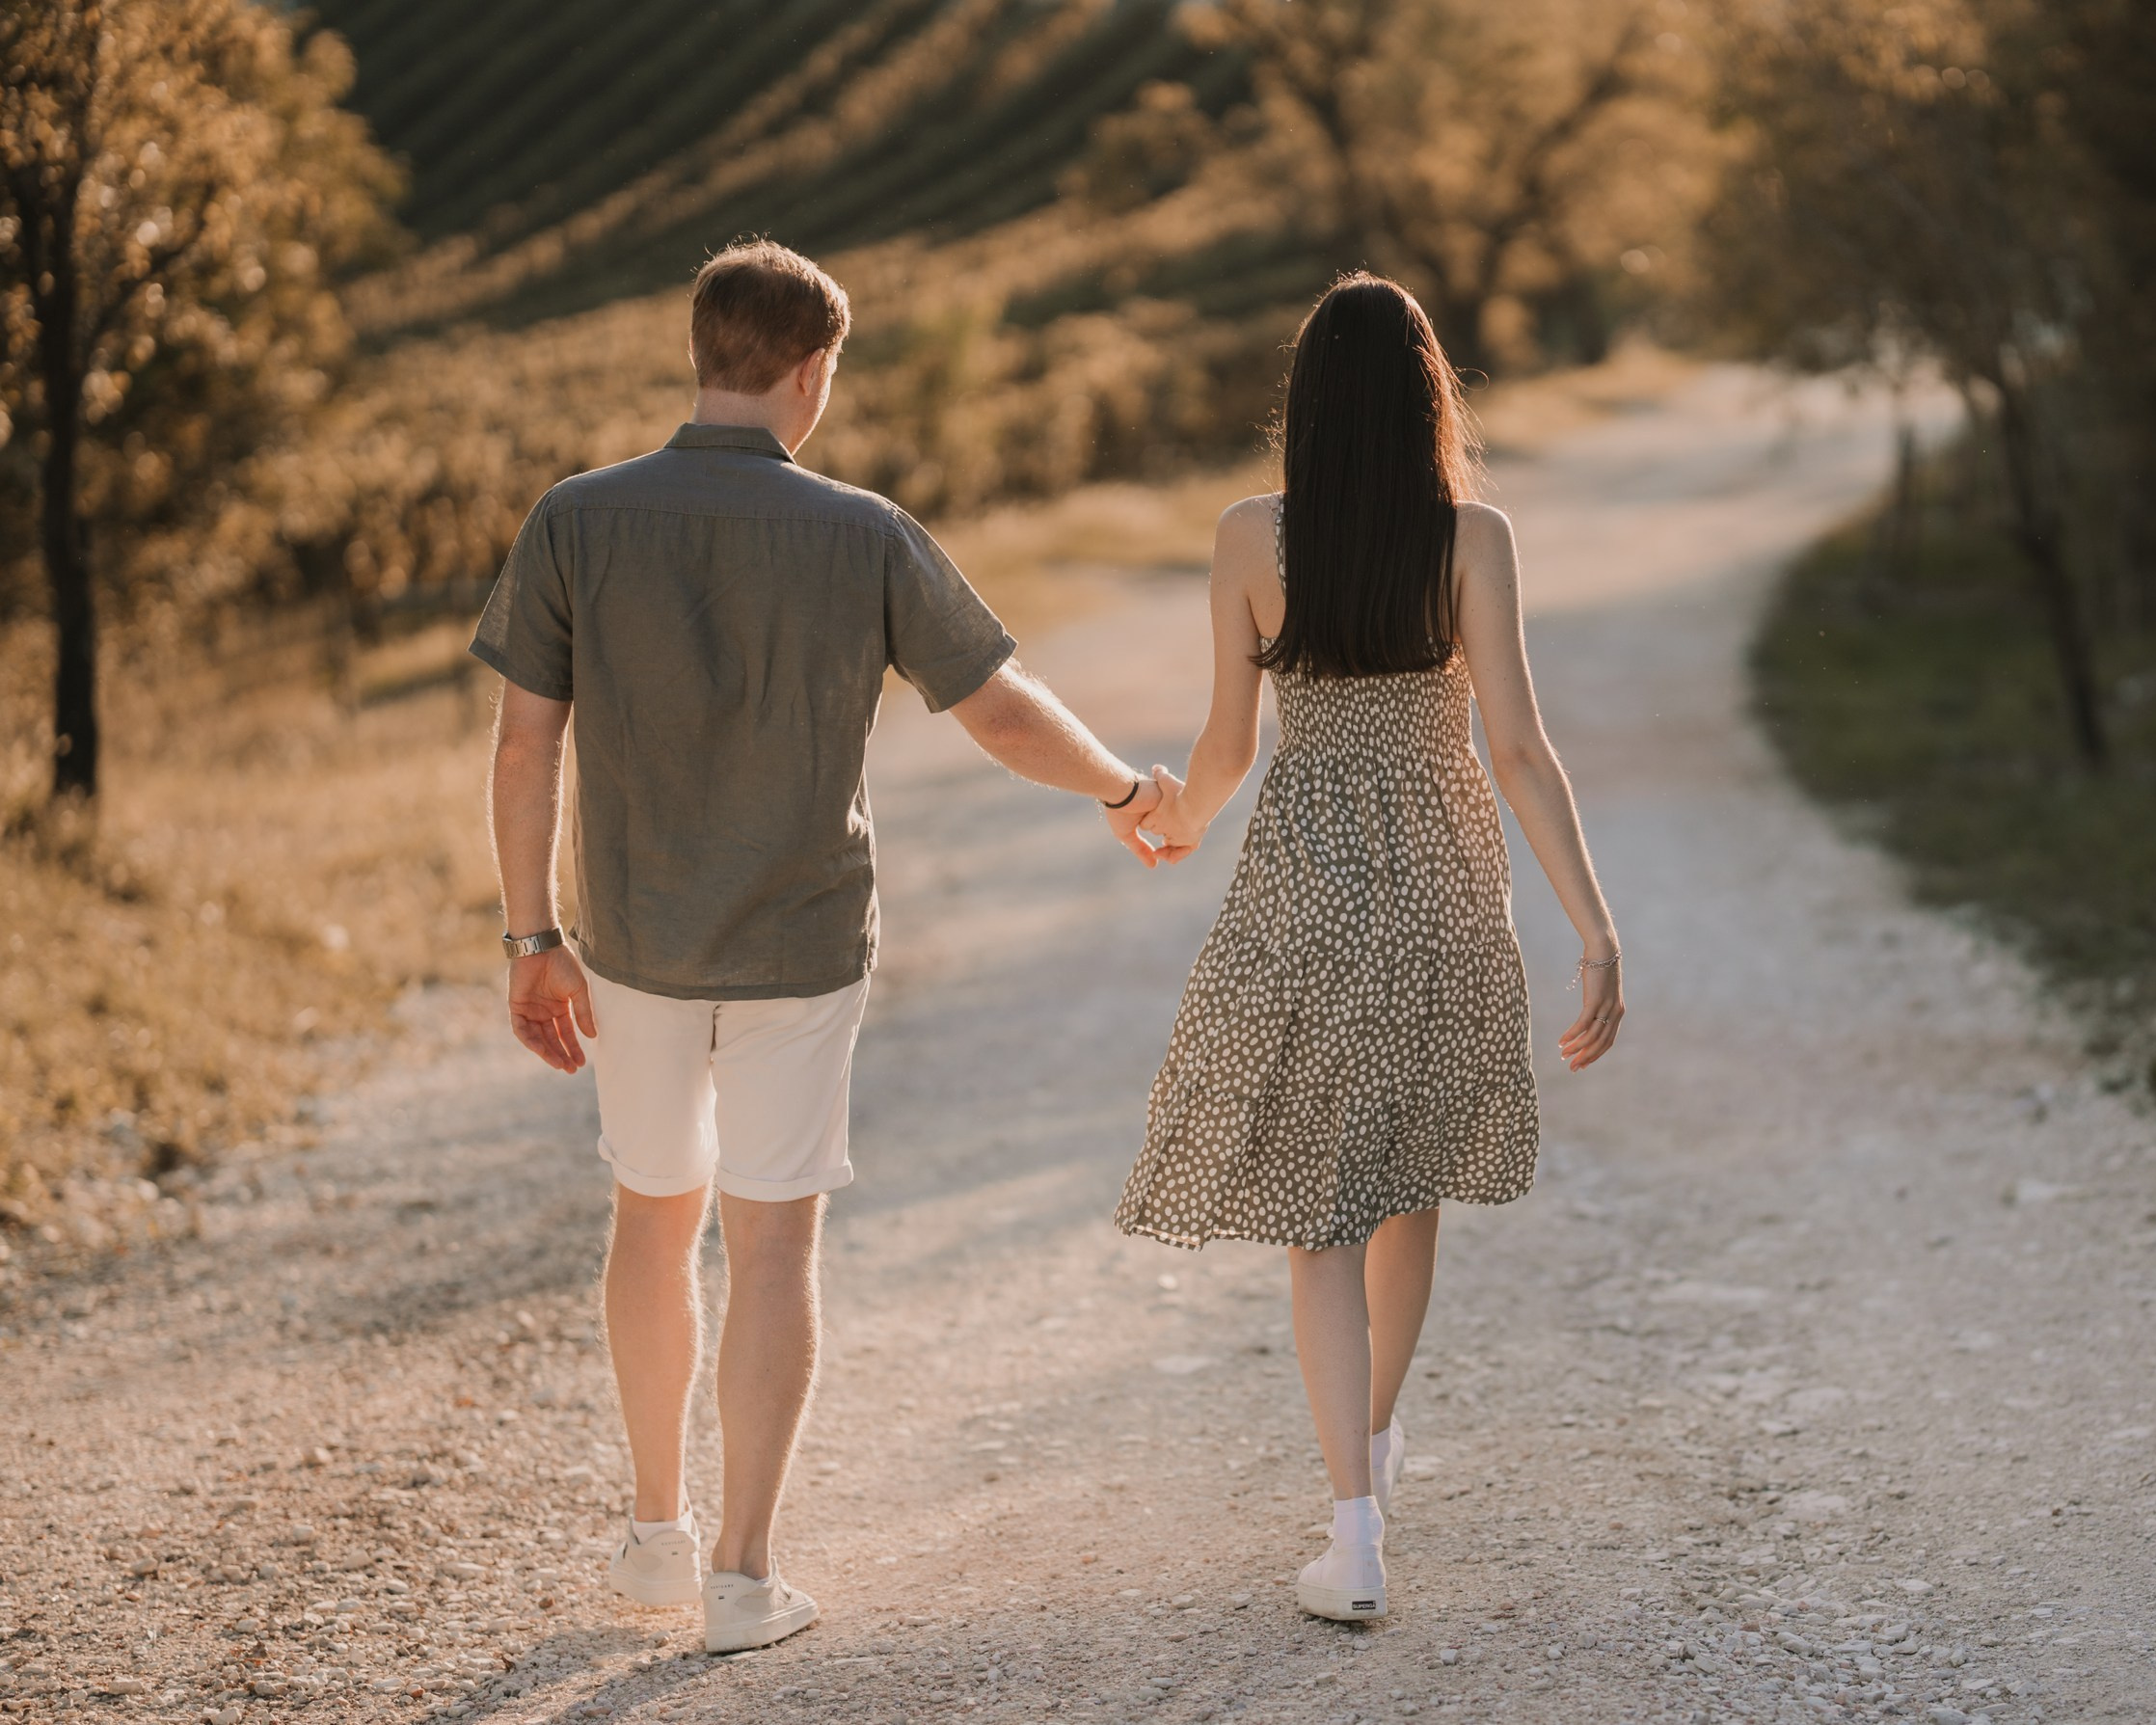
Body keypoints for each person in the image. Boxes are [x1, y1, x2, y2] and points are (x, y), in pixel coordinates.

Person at [471, 239, 1166, 1654]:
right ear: (811, 369)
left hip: (632, 944)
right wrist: (1124, 789)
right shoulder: (865, 530)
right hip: (799, 946)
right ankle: (743, 1573)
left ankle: (656, 1531)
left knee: (650, 1218)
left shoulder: (577, 519)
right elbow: (1000, 708)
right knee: (774, 1245)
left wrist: (531, 932)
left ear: (698, 351)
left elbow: (524, 738)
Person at [1119, 274, 1625, 1622]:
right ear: (1426, 400)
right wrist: (1594, 922)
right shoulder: (1474, 538)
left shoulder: (1247, 537)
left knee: (1316, 1211)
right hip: (1446, 882)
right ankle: (1377, 1450)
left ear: (1309, 408)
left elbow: (1228, 748)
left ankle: (1352, 1527)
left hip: (1305, 885)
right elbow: (1516, 746)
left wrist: (1170, 819)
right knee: (1411, 1181)